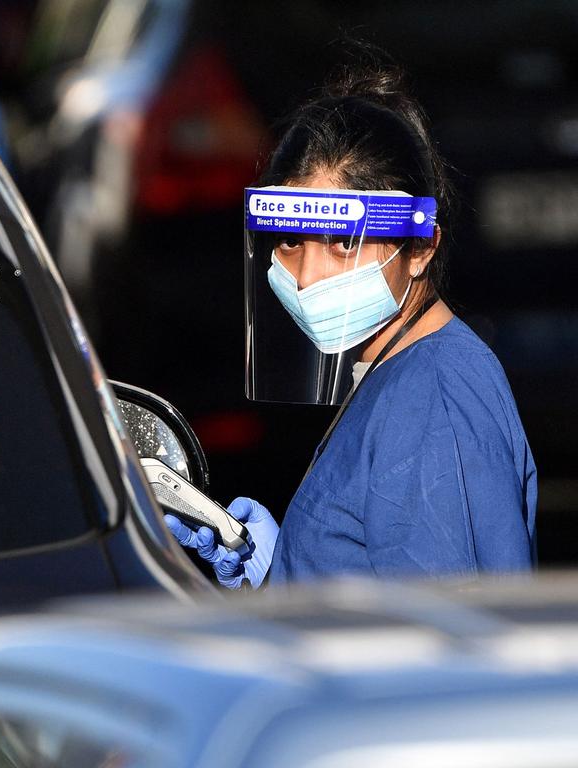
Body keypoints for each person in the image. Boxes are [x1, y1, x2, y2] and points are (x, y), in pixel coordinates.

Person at [167, 57, 537, 587]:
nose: (308, 276)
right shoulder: (394, 372)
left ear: (420, 248)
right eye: (292, 240)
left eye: (343, 242)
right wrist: (288, 571)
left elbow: (443, 645)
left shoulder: (434, 401)